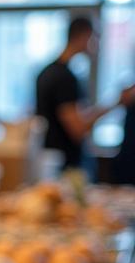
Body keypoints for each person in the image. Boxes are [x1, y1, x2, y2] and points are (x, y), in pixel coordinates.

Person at [35, 16, 135, 172]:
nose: (97, 44)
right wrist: (117, 103)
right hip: (65, 167)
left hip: (53, 162)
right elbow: (77, 128)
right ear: (84, 36)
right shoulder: (63, 77)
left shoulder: (47, 72)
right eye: (95, 37)